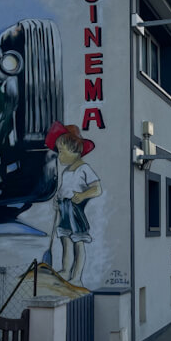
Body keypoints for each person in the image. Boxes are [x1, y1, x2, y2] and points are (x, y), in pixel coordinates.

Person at [44, 122, 101, 286]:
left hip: (75, 210)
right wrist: (57, 200)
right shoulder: (66, 171)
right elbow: (63, 189)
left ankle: (76, 276)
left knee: (78, 242)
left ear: (75, 150)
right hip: (64, 209)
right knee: (65, 241)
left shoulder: (84, 169)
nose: (59, 156)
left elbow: (97, 189)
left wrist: (83, 195)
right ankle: (66, 270)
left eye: (61, 151)